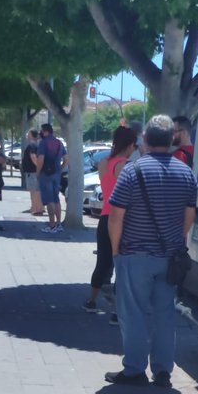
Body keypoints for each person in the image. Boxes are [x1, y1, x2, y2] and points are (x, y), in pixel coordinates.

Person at [105, 114, 197, 388]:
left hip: (135, 254)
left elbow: (116, 216)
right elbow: (189, 215)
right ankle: (163, 371)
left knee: (132, 313)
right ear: (171, 140)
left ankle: (134, 370)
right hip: (169, 258)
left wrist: (116, 249)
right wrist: (176, 239)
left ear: (145, 139)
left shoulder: (132, 171)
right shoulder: (185, 172)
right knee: (165, 313)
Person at [83, 126, 136, 320]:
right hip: (122, 220)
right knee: (121, 266)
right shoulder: (126, 165)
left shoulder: (104, 163)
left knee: (102, 263)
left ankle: (91, 301)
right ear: (130, 145)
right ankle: (116, 312)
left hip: (104, 217)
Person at [35, 123, 67, 233]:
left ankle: (51, 224)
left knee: (49, 200)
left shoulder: (43, 143)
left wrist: (38, 172)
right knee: (56, 198)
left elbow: (41, 160)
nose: (40, 133)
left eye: (41, 131)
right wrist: (60, 169)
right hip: (56, 174)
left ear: (45, 131)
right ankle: (58, 223)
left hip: (46, 174)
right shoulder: (59, 143)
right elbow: (66, 159)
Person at [22, 129, 44, 215]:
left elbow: (33, 157)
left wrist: (38, 168)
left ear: (31, 135)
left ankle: (37, 209)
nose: (27, 135)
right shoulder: (36, 145)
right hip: (32, 172)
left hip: (32, 172)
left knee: (35, 191)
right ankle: (36, 207)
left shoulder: (32, 145)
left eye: (28, 133)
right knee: (34, 191)